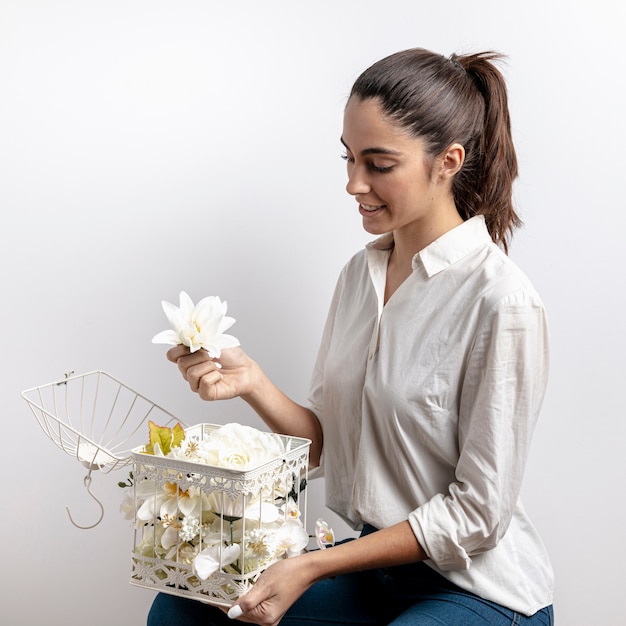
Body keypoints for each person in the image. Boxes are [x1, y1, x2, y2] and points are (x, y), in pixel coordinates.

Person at [147, 47, 555, 625]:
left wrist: (313, 565)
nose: (353, 183)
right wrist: (252, 382)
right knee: (182, 611)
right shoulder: (359, 276)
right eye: (348, 159)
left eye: (379, 164)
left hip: (478, 589)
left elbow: (478, 516)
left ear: (449, 161)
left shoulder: (502, 301)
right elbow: (326, 447)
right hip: (374, 573)